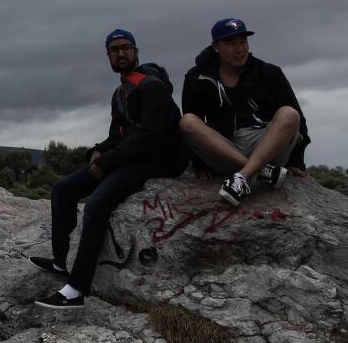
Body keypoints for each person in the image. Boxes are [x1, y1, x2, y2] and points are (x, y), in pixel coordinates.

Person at [30, 29, 186, 310]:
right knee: (63, 189)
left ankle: (76, 290)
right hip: (130, 156)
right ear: (108, 57)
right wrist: (97, 151)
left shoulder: (151, 86)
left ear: (136, 51)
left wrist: (106, 162)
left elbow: (153, 136)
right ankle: (59, 261)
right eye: (114, 50)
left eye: (126, 47)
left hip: (155, 161)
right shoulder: (121, 91)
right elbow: (119, 135)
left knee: (97, 204)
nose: (121, 53)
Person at [179, 18, 310, 207]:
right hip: (225, 149)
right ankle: (260, 171)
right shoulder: (197, 78)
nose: (240, 49)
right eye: (232, 44)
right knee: (187, 121)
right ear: (216, 46)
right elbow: (193, 130)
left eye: (243, 42)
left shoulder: (269, 72)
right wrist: (200, 166)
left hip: (267, 147)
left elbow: (299, 121)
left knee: (289, 114)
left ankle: (243, 176)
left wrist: (296, 162)